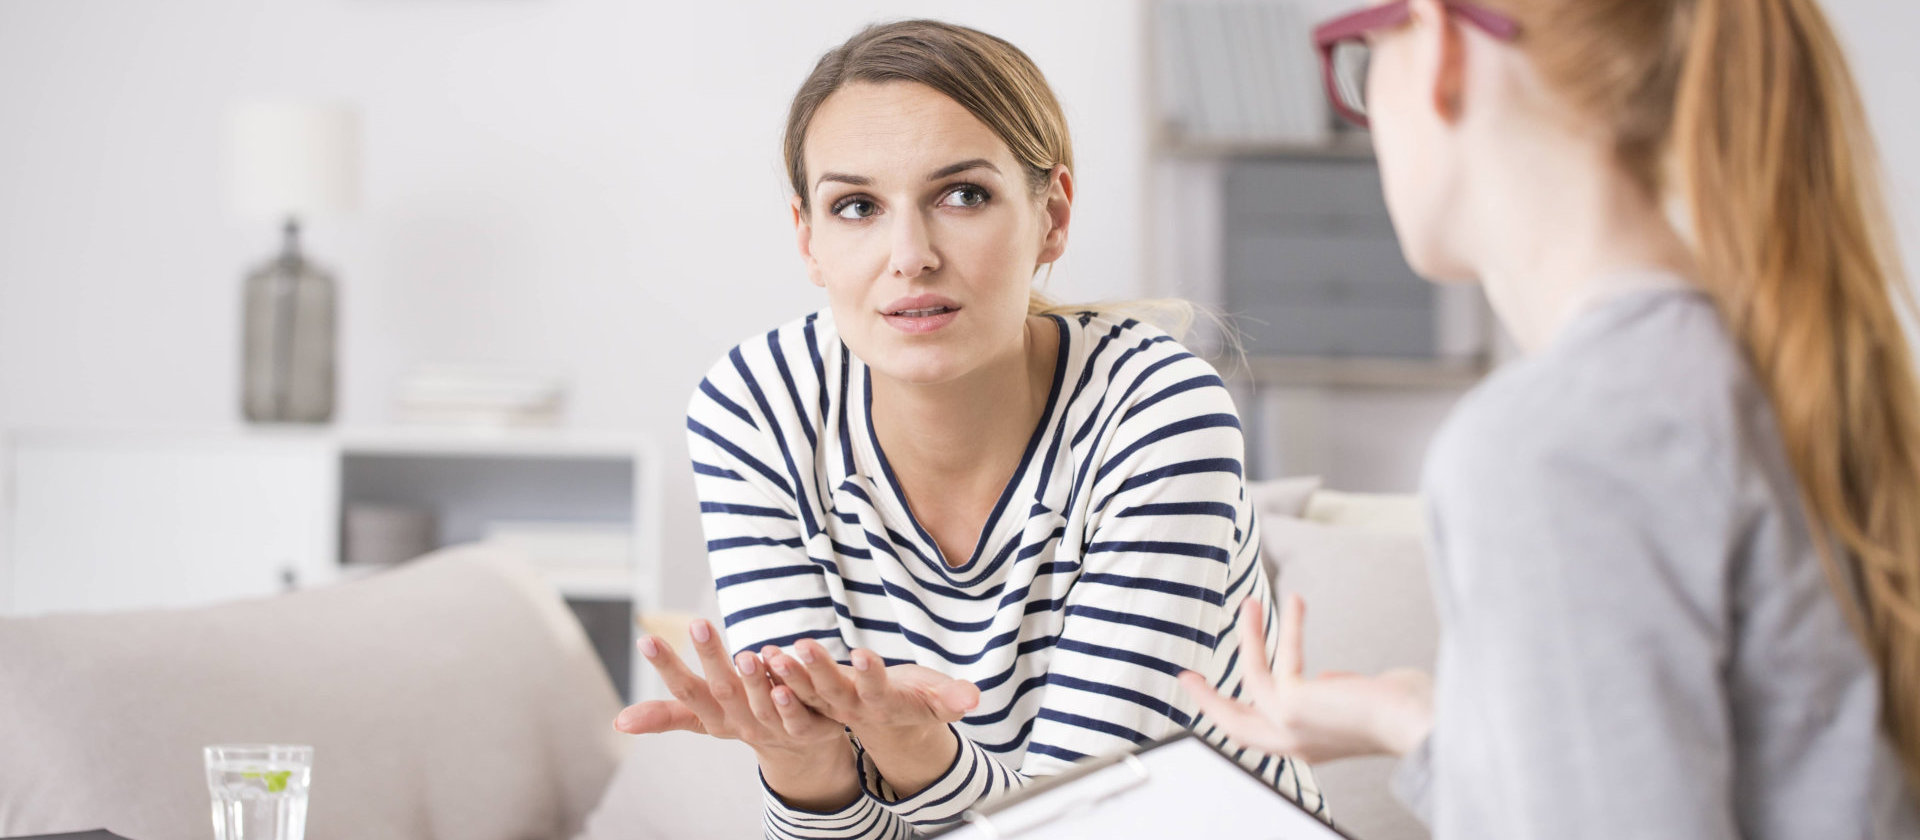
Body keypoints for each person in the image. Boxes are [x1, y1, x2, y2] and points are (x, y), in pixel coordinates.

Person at [1182, 0, 1920, 837]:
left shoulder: (1555, 445)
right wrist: (1415, 722)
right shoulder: (1769, 373)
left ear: (1442, 47)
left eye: (1360, 55)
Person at [613, 19, 1323, 839]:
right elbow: (833, 804)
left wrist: (920, 760)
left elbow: (1078, 828)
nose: (909, 254)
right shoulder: (757, 407)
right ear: (809, 240)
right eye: (856, 206)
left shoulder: (1158, 412)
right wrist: (807, 773)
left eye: (963, 195)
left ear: (1052, 215)